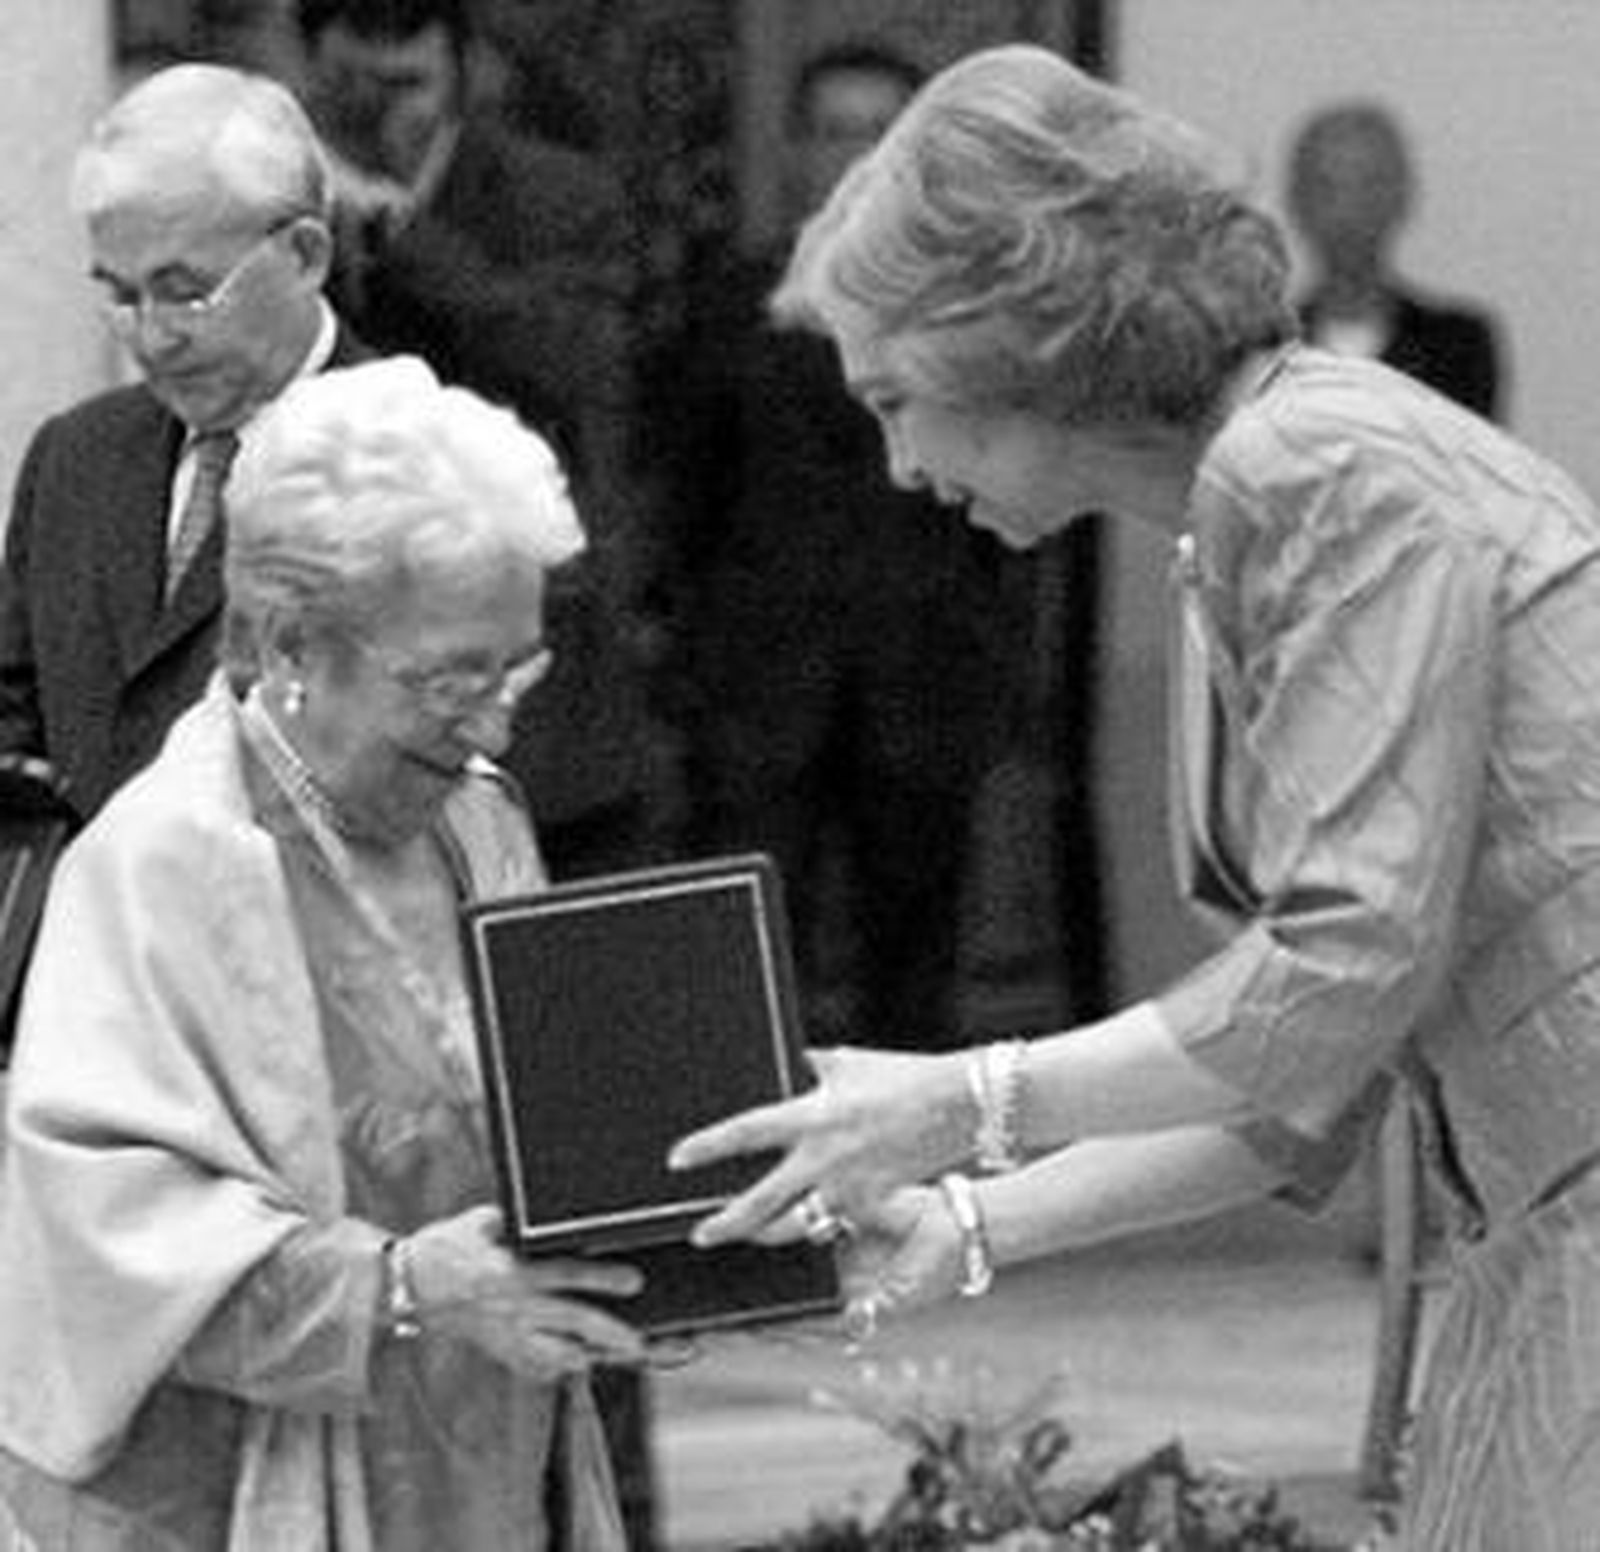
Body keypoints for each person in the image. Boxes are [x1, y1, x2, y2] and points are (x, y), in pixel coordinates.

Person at [669, 44, 1600, 1549]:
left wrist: (954, 1100)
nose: (900, 466)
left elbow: (1334, 986)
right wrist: (968, 1223)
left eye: (898, 398)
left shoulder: (1312, 471)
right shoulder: (1266, 482)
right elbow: (1310, 1086)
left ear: (1018, 346)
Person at [0, 356, 646, 1550]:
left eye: (518, 669)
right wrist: (401, 1289)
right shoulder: (165, 866)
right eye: (453, 678)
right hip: (234, 1489)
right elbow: (107, 1245)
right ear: (293, 645)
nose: (497, 721)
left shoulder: (477, 817)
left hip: (483, 1460)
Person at [651, 40, 1023, 1052]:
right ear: (795, 147)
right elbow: (683, 496)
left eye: (881, 135)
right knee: (742, 975)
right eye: (834, 132)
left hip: (923, 689)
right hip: (760, 697)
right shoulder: (730, 300)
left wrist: (988, 664)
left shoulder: (974, 314)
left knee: (915, 977)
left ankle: (913, 1197)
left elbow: (1012, 515)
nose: (855, 158)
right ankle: (747, 1194)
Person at [296, 0, 664, 887]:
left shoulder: (557, 194)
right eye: (349, 83)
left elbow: (579, 363)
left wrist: (404, 236)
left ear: (460, 70)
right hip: (347, 645)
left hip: (532, 657)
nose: (379, 110)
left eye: (405, 84)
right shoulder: (283, 201)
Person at [0, 62, 366, 831]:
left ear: (305, 255)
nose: (153, 338)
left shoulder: (417, 461)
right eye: (123, 296)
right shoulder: (76, 458)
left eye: (183, 291)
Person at [1287, 98, 1506, 421]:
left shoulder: (1457, 348)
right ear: (1297, 201)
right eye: (1328, 188)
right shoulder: (1255, 357)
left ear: (1403, 196)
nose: (1351, 211)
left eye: (1370, 186)